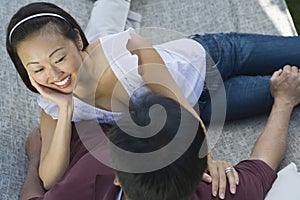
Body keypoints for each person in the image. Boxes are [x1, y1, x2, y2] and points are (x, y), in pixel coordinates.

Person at [6, 0, 300, 196]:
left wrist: (203, 160)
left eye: (59, 58)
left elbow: (180, 107)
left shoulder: (124, 50)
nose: (54, 74)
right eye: (38, 69)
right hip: (207, 105)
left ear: (78, 41)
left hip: (212, 57)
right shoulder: (53, 103)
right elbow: (49, 179)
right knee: (291, 86)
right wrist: (66, 107)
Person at [21, 65, 300, 200]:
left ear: (116, 177)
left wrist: (35, 159)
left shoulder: (90, 171)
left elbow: (34, 195)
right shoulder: (217, 191)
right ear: (203, 172)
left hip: (74, 126)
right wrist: (285, 101)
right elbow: (263, 165)